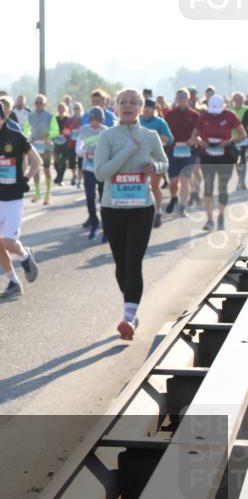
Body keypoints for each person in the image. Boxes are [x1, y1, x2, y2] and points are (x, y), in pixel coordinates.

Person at [93, 89, 168, 340]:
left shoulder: (150, 135)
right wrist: (127, 150)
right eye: (123, 102)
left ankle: (129, 317)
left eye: (133, 103)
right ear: (115, 107)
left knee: (134, 261)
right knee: (121, 264)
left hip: (141, 208)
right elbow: (101, 173)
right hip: (113, 209)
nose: (127, 106)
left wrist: (154, 167)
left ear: (141, 107)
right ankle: (131, 309)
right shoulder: (107, 137)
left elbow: (163, 162)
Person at [0, 100, 41, 298]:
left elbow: (36, 160)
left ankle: (25, 256)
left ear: (2, 116)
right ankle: (13, 281)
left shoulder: (15, 137)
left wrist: (26, 178)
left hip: (13, 197)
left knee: (7, 241)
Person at [193, 95, 247, 231]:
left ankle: (221, 216)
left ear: (224, 106)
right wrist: (201, 142)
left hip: (225, 156)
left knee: (222, 187)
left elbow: (243, 134)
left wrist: (228, 141)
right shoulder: (204, 116)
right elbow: (194, 135)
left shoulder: (230, 115)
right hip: (207, 156)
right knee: (208, 187)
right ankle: (210, 220)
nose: (214, 114)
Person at [164, 88, 200, 218]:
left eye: (184, 97)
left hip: (189, 151)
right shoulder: (169, 115)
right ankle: (174, 197)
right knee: (174, 181)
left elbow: (199, 132)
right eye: (179, 97)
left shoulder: (195, 115)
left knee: (185, 179)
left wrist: (192, 140)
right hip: (172, 151)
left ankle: (182, 207)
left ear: (189, 98)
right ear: (176, 99)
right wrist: (173, 143)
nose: (182, 99)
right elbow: (164, 133)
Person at [138, 98, 174, 228]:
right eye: (144, 107)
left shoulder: (160, 122)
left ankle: (158, 211)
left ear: (154, 109)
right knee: (141, 187)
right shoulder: (138, 121)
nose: (146, 109)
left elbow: (170, 139)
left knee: (154, 186)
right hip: (140, 158)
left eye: (149, 107)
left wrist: (155, 137)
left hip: (156, 158)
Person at [77, 107, 109, 239]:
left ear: (101, 120)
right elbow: (78, 147)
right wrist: (83, 151)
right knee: (90, 196)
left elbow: (111, 148)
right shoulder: (84, 130)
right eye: (92, 120)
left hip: (102, 168)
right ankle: (94, 222)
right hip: (88, 168)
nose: (94, 123)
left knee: (103, 198)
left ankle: (106, 227)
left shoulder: (105, 131)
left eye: (96, 120)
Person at [27, 94, 58, 204]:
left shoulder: (50, 116)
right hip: (35, 145)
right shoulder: (31, 116)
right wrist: (28, 138)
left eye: (41, 102)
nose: (38, 104)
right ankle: (37, 193)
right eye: (36, 102)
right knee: (35, 169)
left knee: (46, 169)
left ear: (45, 104)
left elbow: (56, 131)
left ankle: (47, 194)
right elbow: (25, 130)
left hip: (46, 146)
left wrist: (48, 134)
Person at [230, 92, 247, 191]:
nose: (238, 102)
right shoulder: (230, 110)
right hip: (232, 139)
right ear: (233, 101)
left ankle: (242, 182)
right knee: (237, 161)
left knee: (243, 159)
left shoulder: (246, 109)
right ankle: (239, 180)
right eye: (236, 100)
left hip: (243, 139)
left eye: (240, 100)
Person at [65, 102, 84, 186]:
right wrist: (70, 132)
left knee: (81, 163)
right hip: (71, 143)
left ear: (81, 109)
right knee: (72, 162)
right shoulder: (70, 120)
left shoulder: (84, 119)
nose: (76, 110)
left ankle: (80, 180)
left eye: (78, 108)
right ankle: (74, 175)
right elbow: (65, 130)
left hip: (81, 144)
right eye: (75, 108)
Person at [53, 102, 70, 186]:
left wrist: (64, 133)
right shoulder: (55, 119)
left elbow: (70, 129)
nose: (60, 110)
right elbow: (51, 129)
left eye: (62, 108)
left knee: (63, 161)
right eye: (59, 108)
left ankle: (60, 179)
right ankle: (58, 175)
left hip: (65, 142)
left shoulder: (68, 119)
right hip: (56, 142)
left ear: (65, 109)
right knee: (56, 162)